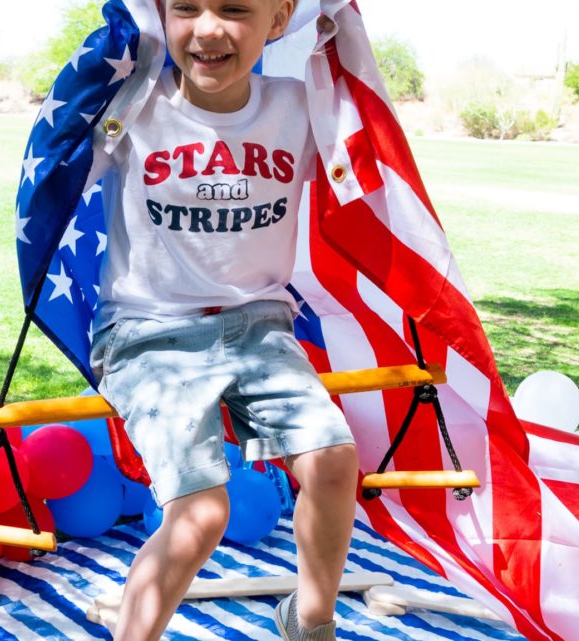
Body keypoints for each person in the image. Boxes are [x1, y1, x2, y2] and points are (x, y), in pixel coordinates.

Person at [87, 1, 359, 640]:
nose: (207, 29)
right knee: (202, 514)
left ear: (277, 18)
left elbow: (367, 160)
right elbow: (55, 171)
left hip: (257, 324)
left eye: (235, 9)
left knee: (334, 462)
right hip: (147, 332)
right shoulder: (128, 104)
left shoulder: (299, 108)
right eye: (186, 8)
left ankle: (311, 622)